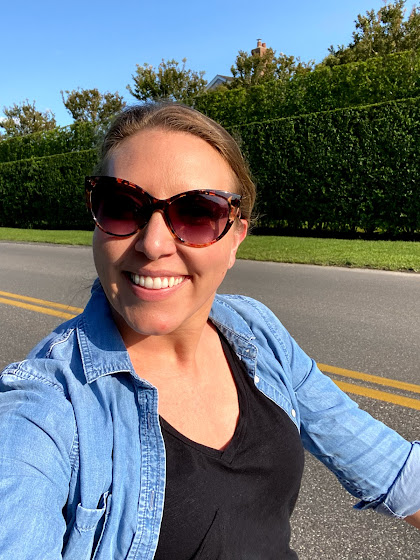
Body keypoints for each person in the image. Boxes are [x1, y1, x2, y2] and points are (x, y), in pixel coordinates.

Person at [0, 103, 419, 560]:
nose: (154, 244)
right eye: (122, 206)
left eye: (197, 213)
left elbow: (393, 471)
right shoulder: (46, 406)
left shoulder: (257, 331)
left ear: (236, 236)